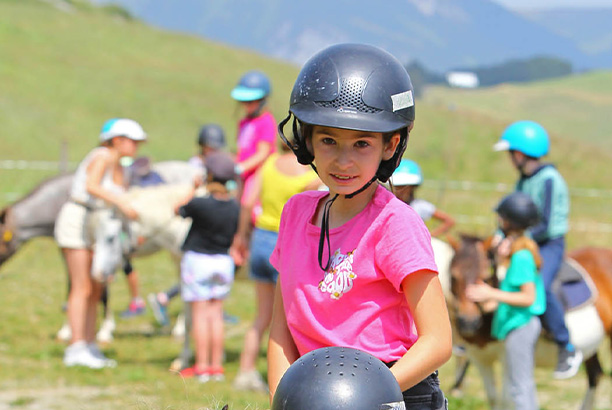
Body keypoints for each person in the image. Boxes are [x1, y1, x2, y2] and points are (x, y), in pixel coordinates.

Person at [268, 43, 452, 409]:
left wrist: (364, 399)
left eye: (362, 143)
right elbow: (281, 329)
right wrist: (282, 399)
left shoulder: (394, 223)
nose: (343, 160)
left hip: (392, 390)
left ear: (390, 145)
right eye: (328, 140)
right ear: (307, 140)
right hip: (313, 394)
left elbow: (438, 340)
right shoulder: (295, 213)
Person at [494, 120, 582, 379]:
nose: (511, 159)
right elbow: (513, 215)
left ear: (520, 153)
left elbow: (544, 224)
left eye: (511, 154)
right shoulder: (523, 180)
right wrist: (501, 237)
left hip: (548, 243)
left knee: (540, 285)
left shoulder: (550, 180)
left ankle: (566, 344)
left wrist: (516, 241)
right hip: (524, 240)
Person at [54, 118, 145, 368]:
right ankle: (76, 346)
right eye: (133, 141)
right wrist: (122, 204)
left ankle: (89, 343)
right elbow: (91, 186)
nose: (136, 146)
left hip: (99, 227)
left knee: (96, 289)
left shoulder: (122, 167)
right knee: (81, 286)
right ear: (117, 140)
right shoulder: (102, 155)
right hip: (79, 221)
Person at [231, 141, 321, 392]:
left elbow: (248, 202)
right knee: (294, 318)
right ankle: (295, 378)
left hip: (260, 240)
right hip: (291, 244)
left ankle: (245, 370)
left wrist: (241, 236)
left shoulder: (268, 164)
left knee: (262, 316)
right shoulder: (310, 171)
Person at [466, 192, 546, 410]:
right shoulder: (518, 251)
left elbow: (528, 297)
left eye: (502, 218)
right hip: (515, 325)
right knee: (522, 385)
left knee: (518, 388)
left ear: (509, 221)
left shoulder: (521, 257)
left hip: (520, 328)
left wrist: (491, 294)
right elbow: (508, 298)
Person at [147, 124, 228, 327]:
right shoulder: (192, 167)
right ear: (202, 146)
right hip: (195, 219)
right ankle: (168, 299)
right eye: (210, 147)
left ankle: (169, 299)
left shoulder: (215, 165)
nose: (213, 151)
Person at [175, 152, 240, 383]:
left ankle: (202, 366)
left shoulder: (200, 204)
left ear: (208, 176)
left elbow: (178, 209)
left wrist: (194, 188)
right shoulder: (235, 207)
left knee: (200, 317)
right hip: (223, 263)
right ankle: (216, 367)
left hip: (198, 261)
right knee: (216, 315)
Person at [231, 71, 277, 208]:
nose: (246, 105)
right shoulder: (244, 122)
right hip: (242, 173)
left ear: (262, 100)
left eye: (250, 102)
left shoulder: (266, 121)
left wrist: (241, 167)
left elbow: (262, 154)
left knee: (247, 204)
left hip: (257, 173)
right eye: (243, 102)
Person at [390, 158, 455, 237]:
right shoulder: (388, 205)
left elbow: (449, 220)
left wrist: (429, 236)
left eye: (404, 187)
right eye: (398, 186)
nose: (400, 190)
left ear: (412, 187)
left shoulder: (420, 206)